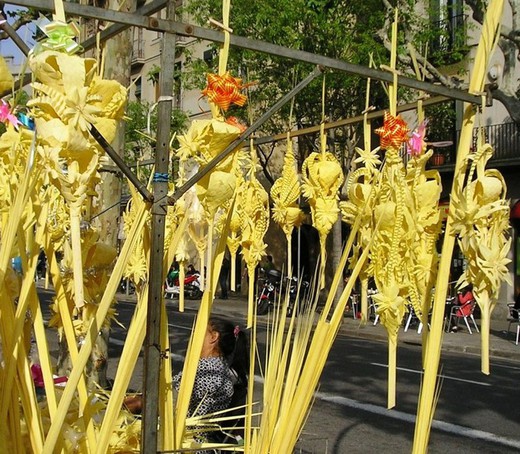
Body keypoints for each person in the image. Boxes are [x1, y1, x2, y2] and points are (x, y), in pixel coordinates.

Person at [123, 317, 249, 449]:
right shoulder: (216, 368)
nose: (192, 336)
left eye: (199, 331)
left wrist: (134, 403)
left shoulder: (208, 373)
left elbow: (166, 402)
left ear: (214, 337)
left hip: (185, 444)